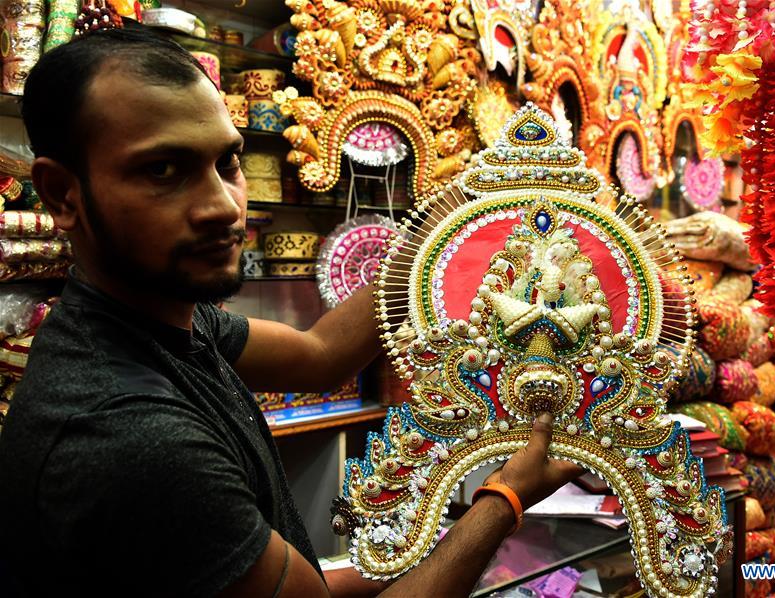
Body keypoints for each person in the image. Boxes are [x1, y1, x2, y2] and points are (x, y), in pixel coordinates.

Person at [0, 27, 581, 597]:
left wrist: (459, 230)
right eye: (163, 170)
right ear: (61, 195)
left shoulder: (156, 319)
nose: (222, 207)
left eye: (228, 163)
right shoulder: (129, 439)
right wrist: (503, 500)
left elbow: (320, 355)